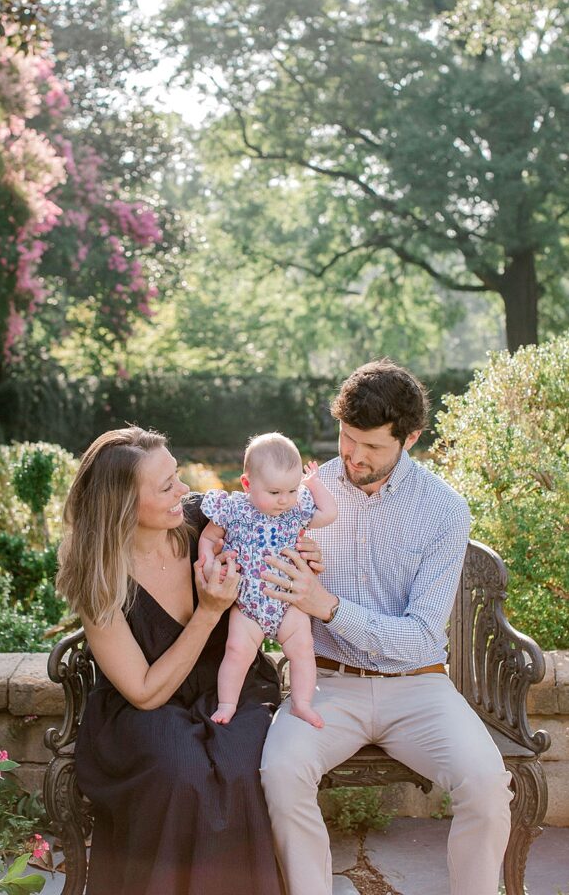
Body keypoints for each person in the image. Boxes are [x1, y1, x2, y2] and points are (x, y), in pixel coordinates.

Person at [259, 360, 513, 895]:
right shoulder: (305, 494)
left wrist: (328, 606)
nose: (354, 456)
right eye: (348, 439)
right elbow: (267, 574)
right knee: (281, 773)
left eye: (372, 447)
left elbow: (421, 638)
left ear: (411, 438)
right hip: (326, 685)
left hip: (420, 686)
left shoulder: (444, 510)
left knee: (488, 786)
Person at [55, 426, 318, 895]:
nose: (184, 491)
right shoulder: (99, 574)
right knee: (179, 770)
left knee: (242, 762)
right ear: (124, 506)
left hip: (229, 685)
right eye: (166, 486)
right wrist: (209, 612)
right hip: (143, 708)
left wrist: (303, 555)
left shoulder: (204, 520)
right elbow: (143, 690)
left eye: (176, 476)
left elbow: (280, 521)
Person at [199, 432, 337, 728]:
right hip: (248, 603)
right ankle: (227, 704)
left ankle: (301, 703)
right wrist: (208, 561)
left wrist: (313, 484)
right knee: (236, 651)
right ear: (247, 484)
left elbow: (329, 513)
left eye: (292, 490)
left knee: (302, 649)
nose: (284, 500)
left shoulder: (295, 512)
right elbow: (209, 537)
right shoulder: (234, 509)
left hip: (289, 603)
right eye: (274, 493)